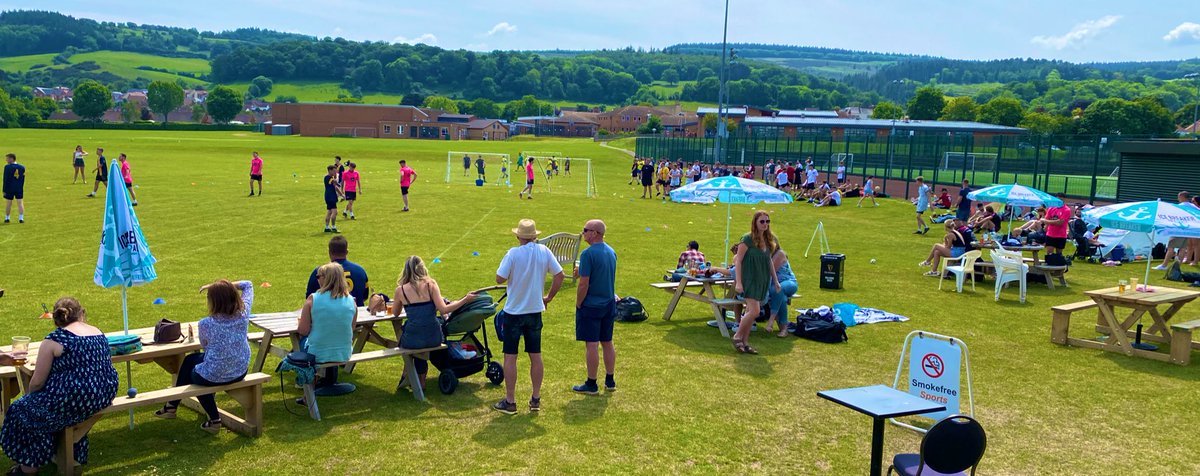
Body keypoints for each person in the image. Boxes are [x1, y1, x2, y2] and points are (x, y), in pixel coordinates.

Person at [0, 297, 118, 474]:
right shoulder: (97, 332)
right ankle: (70, 455)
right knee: (59, 414)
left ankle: (28, 467)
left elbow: (38, 382)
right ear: (82, 313)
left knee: (23, 411)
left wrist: (30, 398)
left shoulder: (55, 339)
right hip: (104, 393)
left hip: (75, 397)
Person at [154, 279, 254, 433]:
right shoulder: (243, 314)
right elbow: (248, 284)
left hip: (215, 374)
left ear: (213, 302)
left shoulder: (205, 323)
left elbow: (205, 346)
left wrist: (213, 287)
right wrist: (223, 287)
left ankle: (213, 420)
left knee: (199, 377)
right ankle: (171, 406)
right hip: (240, 370)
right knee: (190, 361)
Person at [492, 219, 564, 414]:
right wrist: (548, 297)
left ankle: (510, 400)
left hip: (514, 312)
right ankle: (535, 397)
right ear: (535, 236)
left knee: (510, 356)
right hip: (534, 311)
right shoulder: (544, 251)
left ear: (518, 236)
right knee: (535, 355)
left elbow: (499, 277)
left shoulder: (513, 253)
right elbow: (560, 275)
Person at [392, 256, 476, 391]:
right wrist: (465, 299)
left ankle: (410, 375)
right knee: (421, 342)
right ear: (422, 268)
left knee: (408, 342)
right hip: (434, 337)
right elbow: (444, 309)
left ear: (406, 270)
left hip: (413, 338)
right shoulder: (431, 285)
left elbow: (395, 313)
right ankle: (419, 379)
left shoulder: (400, 290)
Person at [573, 219, 618, 395]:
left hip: (592, 305)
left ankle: (591, 383)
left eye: (586, 230)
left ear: (594, 233)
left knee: (591, 344)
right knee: (607, 342)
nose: (583, 233)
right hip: (608, 303)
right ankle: (610, 379)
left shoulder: (587, 254)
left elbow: (584, 284)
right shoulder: (611, 252)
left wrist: (578, 302)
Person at [299, 262, 358, 392]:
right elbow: (351, 328)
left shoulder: (313, 299)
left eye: (319, 276)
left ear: (326, 278)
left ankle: (305, 380)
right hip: (344, 353)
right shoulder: (352, 301)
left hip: (317, 354)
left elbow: (303, 330)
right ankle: (328, 380)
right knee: (331, 337)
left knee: (302, 341)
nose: (317, 279)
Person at [731, 211, 780, 355]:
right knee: (755, 311)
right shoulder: (747, 239)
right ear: (755, 222)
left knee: (750, 312)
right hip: (749, 279)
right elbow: (738, 261)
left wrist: (775, 280)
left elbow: (769, 260)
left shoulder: (768, 240)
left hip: (762, 279)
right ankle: (737, 336)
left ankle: (745, 343)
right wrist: (739, 283)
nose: (765, 224)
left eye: (767, 221)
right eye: (762, 221)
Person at [306, 235, 370, 307]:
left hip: (328, 315)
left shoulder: (320, 272)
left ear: (329, 252)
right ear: (346, 252)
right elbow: (364, 296)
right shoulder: (360, 271)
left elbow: (309, 299)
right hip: (356, 314)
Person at [1155, 191, 1195, 270]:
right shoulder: (1193, 206)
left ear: (1182, 197)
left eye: (1179, 197)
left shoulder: (1180, 206)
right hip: (1188, 229)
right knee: (1183, 248)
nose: (1178, 199)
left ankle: (1164, 265)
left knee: (1171, 247)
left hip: (1178, 229)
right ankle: (1177, 267)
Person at [764, 249, 798, 338]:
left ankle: (771, 320)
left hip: (789, 282)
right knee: (781, 297)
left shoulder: (779, 254)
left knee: (777, 290)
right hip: (775, 286)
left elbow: (769, 272)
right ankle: (784, 328)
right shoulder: (763, 254)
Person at [4, 153, 25, 224]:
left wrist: (4, 189)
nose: (6, 160)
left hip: (9, 188)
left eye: (7, 158)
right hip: (19, 188)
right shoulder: (22, 167)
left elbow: (5, 179)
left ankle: (7, 218)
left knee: (9, 203)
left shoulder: (7, 167)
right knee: (20, 203)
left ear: (11, 159)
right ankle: (21, 218)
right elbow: (22, 178)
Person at [322, 165, 343, 233]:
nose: (335, 172)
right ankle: (333, 227)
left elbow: (336, 187)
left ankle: (327, 227)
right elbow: (335, 184)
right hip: (331, 197)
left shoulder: (327, 177)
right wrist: (342, 194)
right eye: (334, 171)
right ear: (330, 170)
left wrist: (341, 194)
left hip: (327, 196)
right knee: (335, 212)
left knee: (329, 212)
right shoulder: (329, 178)